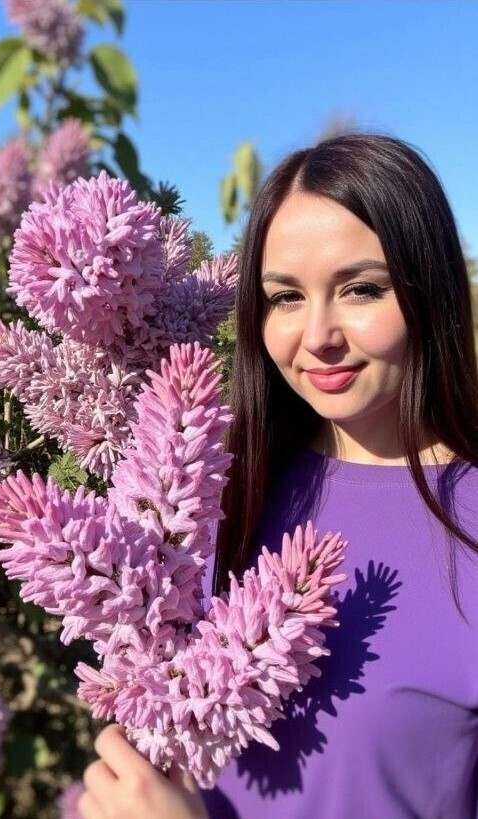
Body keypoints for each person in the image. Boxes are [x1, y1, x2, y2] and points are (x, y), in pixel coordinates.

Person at [78, 132, 478, 819]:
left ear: (430, 289)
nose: (317, 336)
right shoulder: (205, 483)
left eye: (361, 289)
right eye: (285, 297)